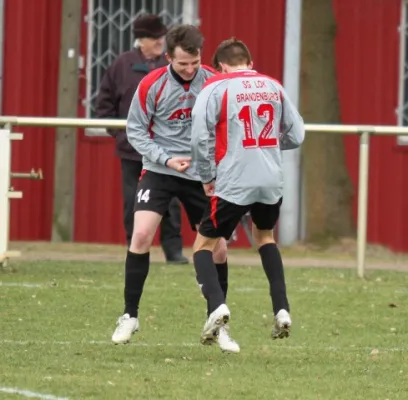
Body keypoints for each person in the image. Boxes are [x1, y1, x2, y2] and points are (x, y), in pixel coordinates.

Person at [111, 25, 239, 353]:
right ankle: (129, 315)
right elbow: (136, 131)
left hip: (201, 174)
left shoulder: (212, 81)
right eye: (183, 64)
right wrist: (166, 160)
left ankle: (219, 322)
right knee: (141, 235)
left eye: (194, 62)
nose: (190, 69)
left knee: (219, 248)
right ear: (169, 57)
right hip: (161, 169)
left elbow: (227, 125)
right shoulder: (151, 84)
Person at [190, 38, 305, 347]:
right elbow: (297, 134)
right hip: (270, 179)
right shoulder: (273, 86)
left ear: (222, 67)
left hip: (234, 179)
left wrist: (206, 176)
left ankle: (217, 305)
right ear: (250, 63)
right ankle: (281, 309)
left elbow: (200, 136)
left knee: (203, 246)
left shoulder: (214, 87)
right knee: (265, 238)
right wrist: (265, 147)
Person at [95, 13, 188, 264]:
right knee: (132, 203)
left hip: (166, 151)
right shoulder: (121, 65)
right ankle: (134, 248)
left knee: (170, 203)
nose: (160, 42)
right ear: (141, 40)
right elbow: (103, 106)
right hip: (132, 151)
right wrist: (120, 135)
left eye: (162, 38)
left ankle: (173, 250)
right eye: (156, 38)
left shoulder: (170, 66)